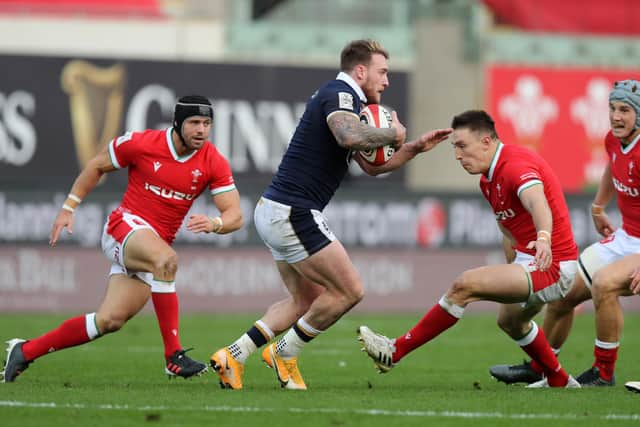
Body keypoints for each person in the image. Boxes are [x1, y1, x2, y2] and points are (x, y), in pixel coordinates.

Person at [208, 39, 452, 390]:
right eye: (382, 73)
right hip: (294, 210)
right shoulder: (340, 93)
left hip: (276, 209)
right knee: (350, 290)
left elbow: (371, 166)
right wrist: (393, 133)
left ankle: (234, 355)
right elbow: (347, 135)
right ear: (361, 70)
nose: (386, 81)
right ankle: (284, 352)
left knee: (305, 301)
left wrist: (413, 147)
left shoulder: (345, 100)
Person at [1, 95, 243, 383]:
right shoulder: (142, 143)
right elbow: (97, 166)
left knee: (109, 320)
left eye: (206, 123)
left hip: (151, 247)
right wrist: (68, 209)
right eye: (194, 123)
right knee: (167, 260)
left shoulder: (213, 160)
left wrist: (216, 223)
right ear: (177, 123)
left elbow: (235, 215)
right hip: (123, 227)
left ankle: (25, 351)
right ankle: (173, 356)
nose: (201, 130)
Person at [358, 110, 581, 388]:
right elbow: (508, 229)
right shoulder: (487, 180)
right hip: (531, 261)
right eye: (454, 148)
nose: (458, 156)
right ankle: (559, 379)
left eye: (463, 146)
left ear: (486, 141)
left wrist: (545, 238)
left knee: (464, 285)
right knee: (510, 323)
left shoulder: (514, 165)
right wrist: (512, 267)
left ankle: (395, 350)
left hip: (553, 265)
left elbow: (538, 203)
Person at [490, 79, 640, 387]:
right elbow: (612, 167)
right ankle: (541, 366)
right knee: (563, 293)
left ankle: (604, 372)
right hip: (626, 237)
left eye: (625, 110)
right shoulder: (614, 140)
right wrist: (599, 207)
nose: (616, 116)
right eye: (613, 108)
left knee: (605, 283)